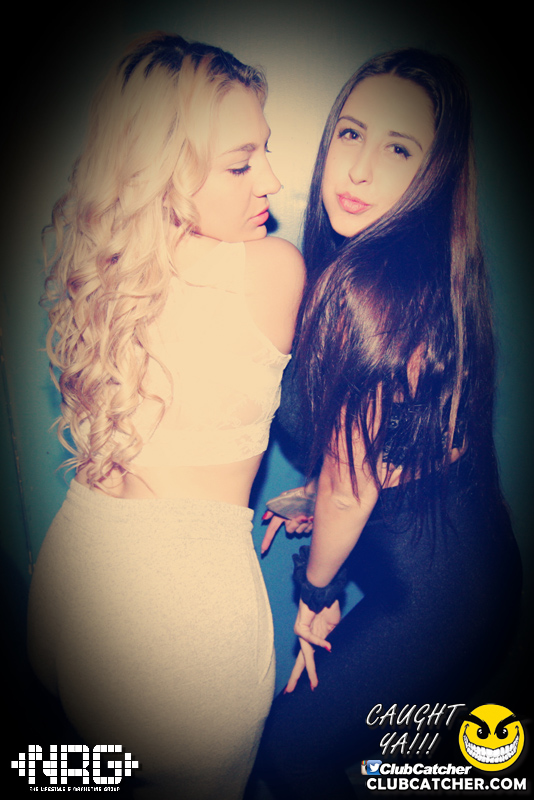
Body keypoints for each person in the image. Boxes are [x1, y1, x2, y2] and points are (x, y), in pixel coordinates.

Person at [27, 32, 304, 799]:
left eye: (265, 151)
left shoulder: (100, 266)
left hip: (71, 580)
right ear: (165, 168)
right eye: (241, 163)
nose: (272, 180)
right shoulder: (269, 268)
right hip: (183, 632)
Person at [254, 48, 522, 799]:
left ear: (434, 171)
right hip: (468, 574)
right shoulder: (418, 268)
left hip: (437, 596)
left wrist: (315, 596)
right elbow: (396, 445)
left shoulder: (367, 291)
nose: (360, 169)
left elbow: (353, 486)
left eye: (398, 149)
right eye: (351, 133)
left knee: (290, 750)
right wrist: (318, 496)